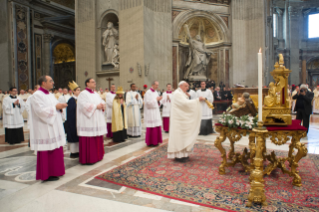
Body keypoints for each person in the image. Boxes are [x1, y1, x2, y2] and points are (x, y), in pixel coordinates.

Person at [29, 76, 67, 181]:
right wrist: (56, 107)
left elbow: (55, 105)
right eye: (50, 81)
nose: (53, 82)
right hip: (44, 127)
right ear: (43, 83)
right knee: (47, 149)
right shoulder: (36, 95)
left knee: (55, 149)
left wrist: (60, 107)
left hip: (54, 126)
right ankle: (47, 174)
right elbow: (40, 111)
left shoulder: (50, 95)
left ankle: (55, 171)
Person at [168, 81, 205, 162]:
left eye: (188, 86)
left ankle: (184, 155)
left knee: (183, 137)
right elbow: (185, 104)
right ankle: (179, 156)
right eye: (186, 86)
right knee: (179, 137)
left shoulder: (181, 93)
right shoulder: (177, 93)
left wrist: (188, 97)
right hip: (178, 120)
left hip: (181, 118)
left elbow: (185, 104)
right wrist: (197, 100)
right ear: (181, 86)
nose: (187, 88)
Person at [77, 78, 106, 165]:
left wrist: (102, 105)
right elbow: (83, 105)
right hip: (88, 121)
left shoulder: (96, 94)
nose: (95, 83)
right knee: (89, 139)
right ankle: (89, 159)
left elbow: (101, 101)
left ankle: (98, 156)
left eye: (95, 82)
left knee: (97, 137)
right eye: (93, 82)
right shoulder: (83, 94)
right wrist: (96, 106)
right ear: (87, 84)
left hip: (96, 120)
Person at [144, 81, 163, 147]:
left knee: (156, 125)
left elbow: (158, 102)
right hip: (150, 112)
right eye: (156, 85)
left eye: (158, 85)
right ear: (152, 85)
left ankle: (156, 141)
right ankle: (150, 142)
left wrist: (159, 100)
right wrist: (156, 100)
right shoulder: (148, 93)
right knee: (152, 127)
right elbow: (148, 103)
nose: (157, 86)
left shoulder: (156, 92)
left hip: (156, 112)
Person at [66, 81, 81, 158]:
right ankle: (73, 152)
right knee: (73, 134)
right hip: (73, 121)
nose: (79, 91)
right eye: (77, 90)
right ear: (73, 91)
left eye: (79, 90)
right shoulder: (71, 100)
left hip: (79, 120)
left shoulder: (79, 99)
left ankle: (78, 151)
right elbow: (71, 112)